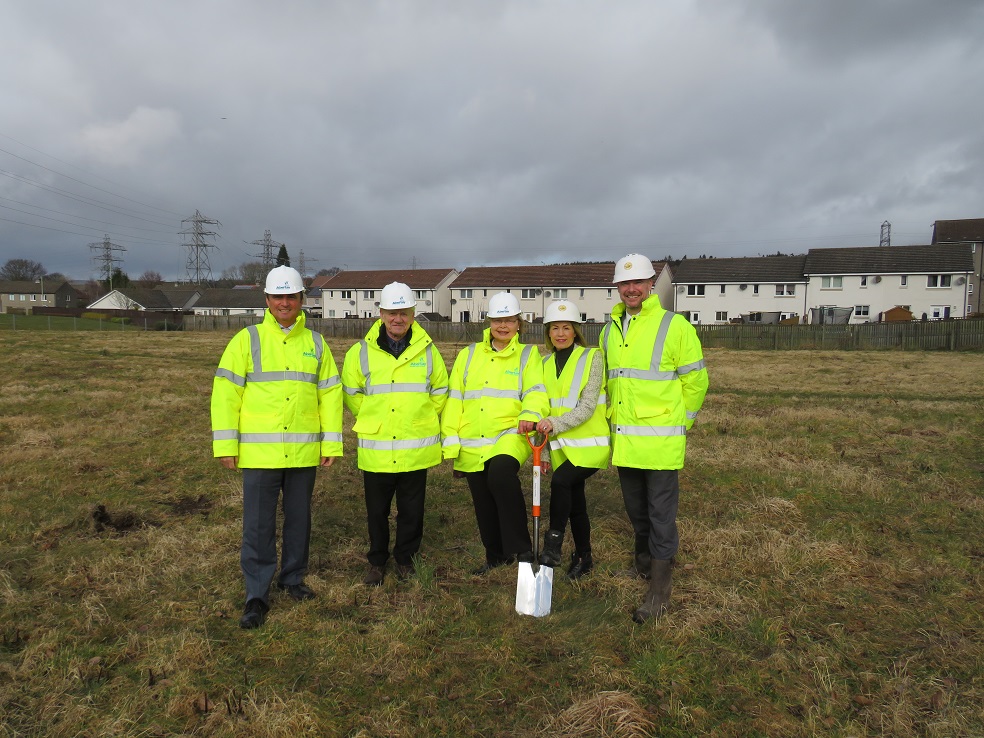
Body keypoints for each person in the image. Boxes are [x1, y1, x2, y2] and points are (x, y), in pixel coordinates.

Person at [211, 265, 343, 629]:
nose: (285, 303)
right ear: (267, 300)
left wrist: (331, 441)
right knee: (258, 526)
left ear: (301, 300)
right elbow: (225, 394)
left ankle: (293, 579)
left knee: (299, 520)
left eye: (291, 296)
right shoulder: (246, 340)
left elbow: (330, 394)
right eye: (278, 297)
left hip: (303, 452)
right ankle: (257, 593)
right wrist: (225, 443)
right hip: (259, 454)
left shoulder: (316, 344)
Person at [599, 254, 708, 623]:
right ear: (618, 288)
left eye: (638, 283)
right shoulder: (609, 328)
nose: (631, 289)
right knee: (636, 511)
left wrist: (682, 423)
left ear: (650, 286)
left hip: (661, 441)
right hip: (626, 441)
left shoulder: (674, 326)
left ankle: (660, 591)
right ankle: (642, 565)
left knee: (661, 516)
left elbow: (696, 381)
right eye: (624, 284)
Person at [342, 282, 448, 586]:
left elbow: (440, 390)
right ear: (381, 314)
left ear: (413, 314)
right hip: (377, 446)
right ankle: (377, 561)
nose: (397, 318)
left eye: (403, 312)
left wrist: (422, 416)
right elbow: (352, 392)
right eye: (392, 312)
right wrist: (373, 419)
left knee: (411, 510)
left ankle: (405, 559)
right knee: (377, 511)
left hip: (415, 446)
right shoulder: (360, 352)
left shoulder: (428, 351)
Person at [441, 292, 549, 574]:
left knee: (501, 476)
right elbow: (455, 398)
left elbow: (536, 392)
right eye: (498, 320)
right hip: (472, 439)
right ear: (489, 322)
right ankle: (496, 557)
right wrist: (451, 444)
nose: (503, 326)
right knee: (482, 500)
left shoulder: (529, 355)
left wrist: (529, 415)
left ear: (518, 323)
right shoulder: (469, 354)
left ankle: (523, 550)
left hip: (510, 433)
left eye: (509, 320)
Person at [534, 300, 609, 580]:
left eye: (566, 327)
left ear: (576, 330)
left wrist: (554, 424)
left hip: (590, 444)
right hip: (560, 448)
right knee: (575, 502)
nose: (561, 333)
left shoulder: (593, 358)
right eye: (555, 328)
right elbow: (540, 408)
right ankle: (583, 556)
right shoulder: (543, 364)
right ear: (548, 332)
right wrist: (539, 453)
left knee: (562, 482)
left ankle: (553, 545)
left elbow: (588, 406)